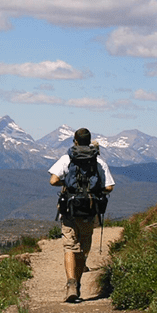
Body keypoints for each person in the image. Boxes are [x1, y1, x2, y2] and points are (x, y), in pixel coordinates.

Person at [48, 127, 114, 303]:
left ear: (75, 141)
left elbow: (53, 180)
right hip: (89, 210)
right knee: (83, 247)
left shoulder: (67, 158)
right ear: (90, 141)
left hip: (69, 209)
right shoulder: (98, 161)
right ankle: (77, 283)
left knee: (70, 246)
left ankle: (70, 285)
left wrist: (69, 185)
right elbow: (109, 187)